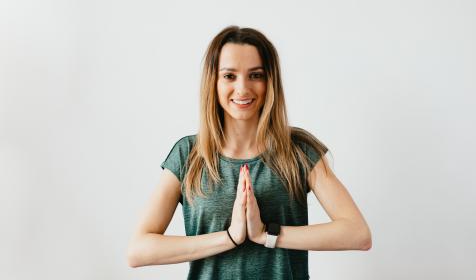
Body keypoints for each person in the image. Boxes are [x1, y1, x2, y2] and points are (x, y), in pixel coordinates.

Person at [127, 26, 372, 279]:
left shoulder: (299, 151)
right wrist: (230, 237)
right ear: (214, 81)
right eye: (229, 76)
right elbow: (139, 251)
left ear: (270, 82)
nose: (243, 88)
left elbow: (358, 233)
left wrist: (267, 234)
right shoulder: (188, 155)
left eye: (255, 75)